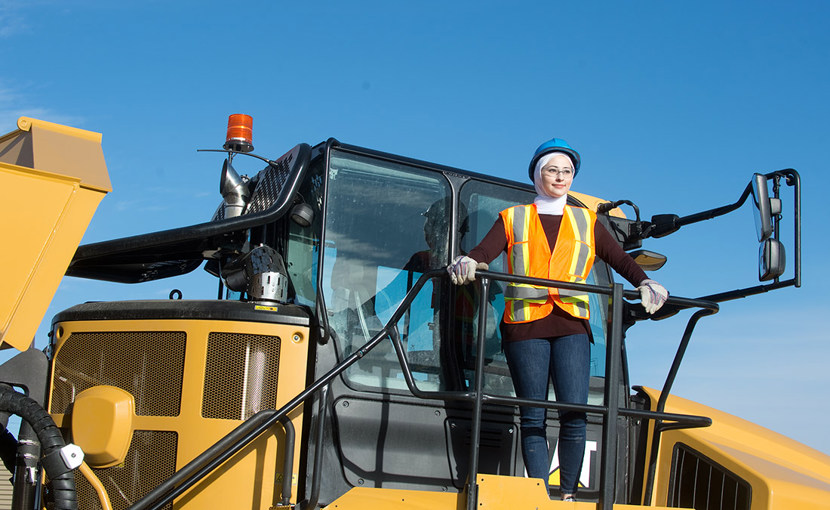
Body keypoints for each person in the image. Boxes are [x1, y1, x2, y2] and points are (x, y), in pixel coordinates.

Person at [447, 138, 668, 501]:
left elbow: (619, 259)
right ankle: (538, 492)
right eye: (552, 170)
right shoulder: (513, 218)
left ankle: (567, 494)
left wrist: (646, 281)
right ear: (538, 175)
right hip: (525, 325)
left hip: (571, 326)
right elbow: (485, 251)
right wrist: (470, 260)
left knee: (574, 411)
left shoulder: (588, 221)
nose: (560, 177)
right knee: (534, 414)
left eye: (567, 171)